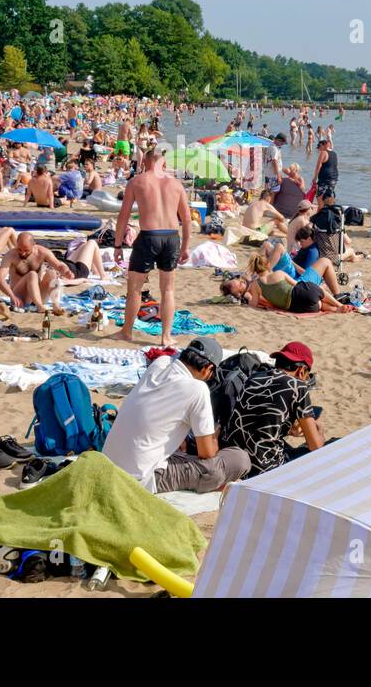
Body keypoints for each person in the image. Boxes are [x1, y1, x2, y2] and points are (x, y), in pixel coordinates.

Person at [102, 337, 250, 493]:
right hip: (140, 478)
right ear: (208, 368)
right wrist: (215, 432)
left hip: (109, 463)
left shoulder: (160, 363)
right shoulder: (198, 389)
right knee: (240, 459)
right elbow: (207, 454)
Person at [114, 149, 191, 347]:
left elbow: (123, 215)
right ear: (163, 164)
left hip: (149, 237)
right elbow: (187, 218)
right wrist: (186, 247)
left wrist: (117, 244)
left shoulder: (137, 181)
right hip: (171, 238)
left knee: (135, 289)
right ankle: (166, 337)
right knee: (168, 290)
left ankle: (127, 332)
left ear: (145, 162)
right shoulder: (175, 184)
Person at [220, 342, 325, 477]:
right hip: (263, 468)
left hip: (234, 462)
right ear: (301, 371)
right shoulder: (297, 386)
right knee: (324, 450)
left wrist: (288, 429)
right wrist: (320, 432)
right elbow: (315, 446)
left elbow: (257, 421)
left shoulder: (253, 378)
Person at [219, 254, 348, 314]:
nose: (242, 280)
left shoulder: (254, 287)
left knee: (318, 302)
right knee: (325, 261)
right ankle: (337, 298)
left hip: (295, 301)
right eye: (241, 282)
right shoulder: (252, 290)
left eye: (239, 279)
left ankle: (336, 307)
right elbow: (297, 285)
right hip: (299, 290)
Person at [0, 232, 72, 312]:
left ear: (34, 245)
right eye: (19, 249)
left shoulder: (42, 252)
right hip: (20, 297)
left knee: (52, 272)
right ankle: (40, 307)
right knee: (32, 274)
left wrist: (67, 271)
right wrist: (11, 296)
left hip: (39, 294)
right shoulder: (10, 255)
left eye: (26, 250)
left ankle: (56, 306)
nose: (23, 253)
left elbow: (58, 265)